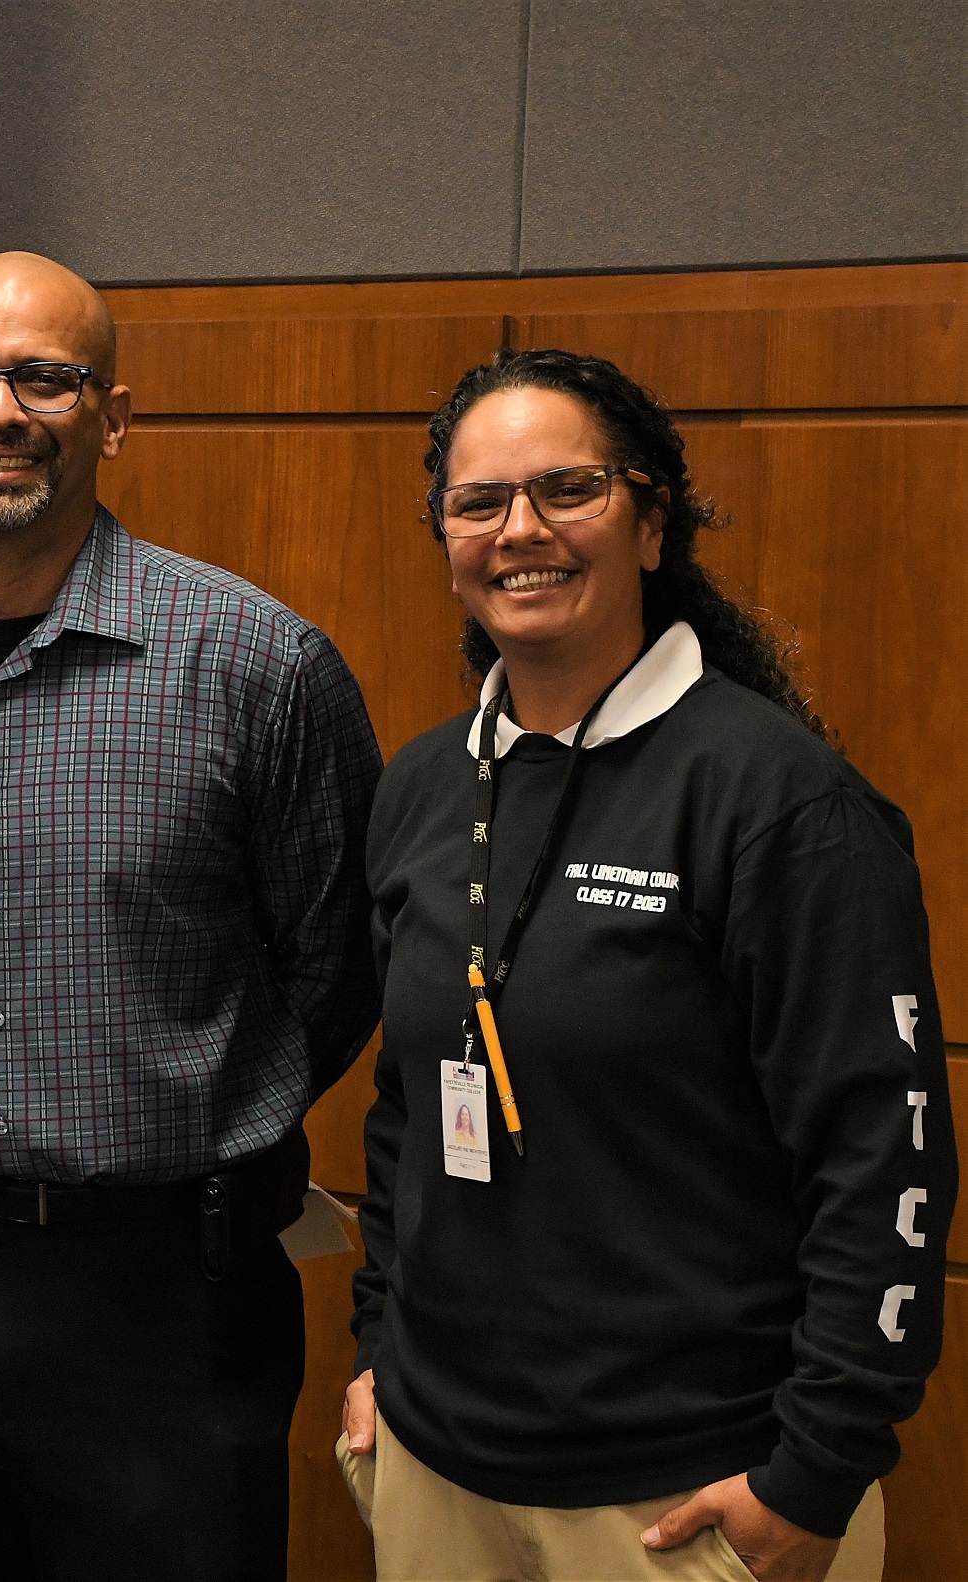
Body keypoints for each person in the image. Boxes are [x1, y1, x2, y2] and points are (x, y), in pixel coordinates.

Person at [0, 250, 385, 1581]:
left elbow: (336, 961)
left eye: (45, 379)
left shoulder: (256, 667)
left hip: (167, 1295)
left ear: (110, 418)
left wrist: (191, 1106)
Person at [340, 348, 956, 1582]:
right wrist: (375, 1353)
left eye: (568, 488)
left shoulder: (778, 802)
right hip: (435, 1468)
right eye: (479, 503)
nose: (522, 531)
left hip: (685, 1500)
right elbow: (410, 1106)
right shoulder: (420, 784)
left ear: (653, 519)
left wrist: (817, 1467)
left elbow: (881, 1157)